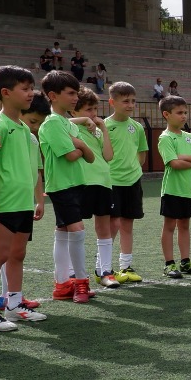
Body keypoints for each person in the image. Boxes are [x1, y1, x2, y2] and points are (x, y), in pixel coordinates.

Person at [0, 66, 46, 331]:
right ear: (5, 93)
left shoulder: (26, 132)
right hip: (5, 203)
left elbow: (35, 171)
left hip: (23, 204)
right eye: (25, 89)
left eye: (31, 88)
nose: (31, 93)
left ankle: (14, 305)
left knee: (18, 254)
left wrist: (38, 200)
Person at [38, 70, 98, 302]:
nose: (76, 98)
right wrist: (81, 146)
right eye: (70, 93)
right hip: (62, 185)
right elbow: (73, 155)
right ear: (53, 95)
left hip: (74, 183)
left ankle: (62, 284)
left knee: (63, 233)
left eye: (76, 93)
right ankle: (80, 283)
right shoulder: (53, 123)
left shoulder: (64, 123)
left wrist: (80, 142)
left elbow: (90, 157)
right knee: (77, 230)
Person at [157, 95, 191, 278]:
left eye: (185, 112)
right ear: (166, 114)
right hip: (172, 190)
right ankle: (169, 264)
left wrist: (184, 157)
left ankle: (185, 262)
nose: (184, 116)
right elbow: (174, 164)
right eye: (179, 113)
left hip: (188, 190)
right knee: (169, 226)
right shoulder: (165, 137)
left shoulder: (190, 137)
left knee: (185, 225)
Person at [105, 82, 149, 282]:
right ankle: (104, 268)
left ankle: (126, 267)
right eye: (125, 101)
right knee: (112, 225)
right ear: (112, 102)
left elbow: (142, 155)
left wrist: (134, 170)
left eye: (133, 101)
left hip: (133, 181)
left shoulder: (137, 127)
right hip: (111, 181)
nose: (131, 105)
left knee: (127, 224)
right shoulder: (104, 126)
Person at [74, 88, 117, 288]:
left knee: (104, 227)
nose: (93, 114)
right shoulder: (70, 127)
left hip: (103, 181)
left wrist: (104, 130)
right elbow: (55, 123)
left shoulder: (98, 130)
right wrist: (83, 120)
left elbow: (108, 156)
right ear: (74, 111)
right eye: (88, 109)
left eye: (94, 109)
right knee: (75, 228)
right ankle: (73, 273)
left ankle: (105, 271)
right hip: (82, 182)